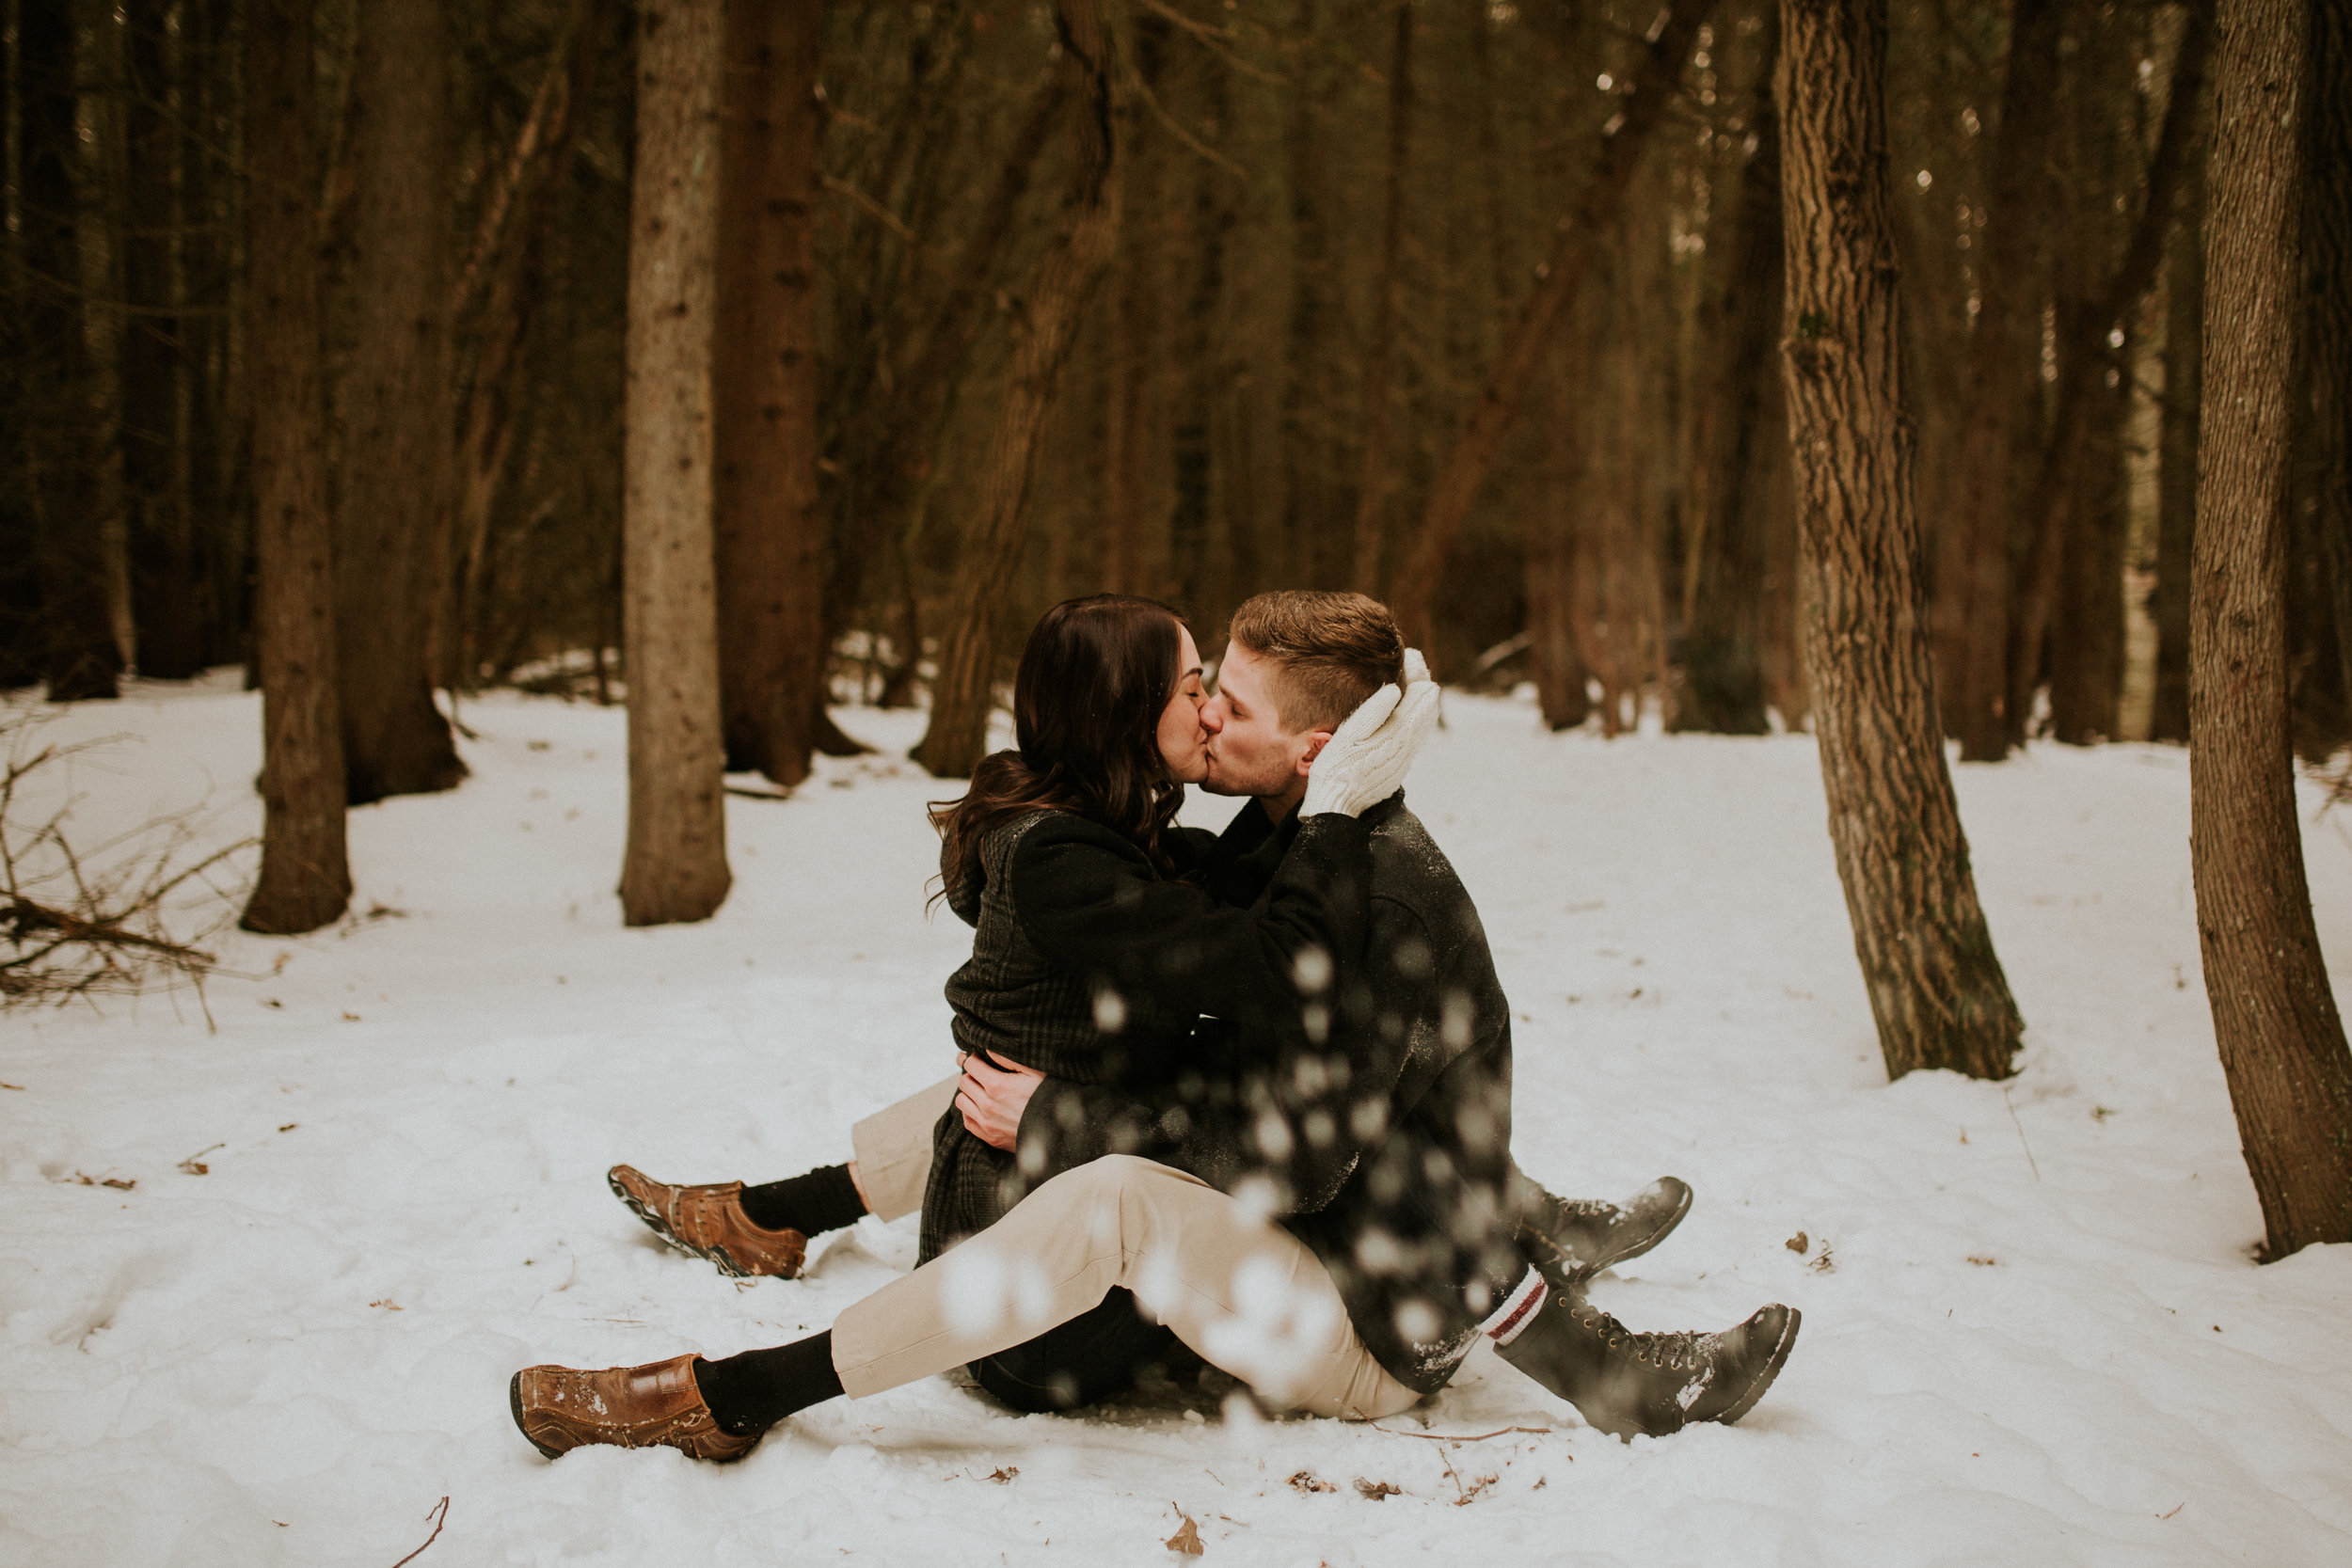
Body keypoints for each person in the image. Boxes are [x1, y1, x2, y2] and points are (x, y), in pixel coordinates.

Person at [511, 594, 1796, 1461]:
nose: (1207, 716)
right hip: (1328, 1241)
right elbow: (1221, 1004)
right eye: (1199, 689)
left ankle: (735, 1395)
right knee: (1024, 1073)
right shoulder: (1294, 835)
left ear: (1313, 746)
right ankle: (775, 1215)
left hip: (1363, 1313)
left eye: (1226, 700)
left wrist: (1066, 1121)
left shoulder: (1374, 886)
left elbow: (1309, 1160)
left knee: (1102, 1164)